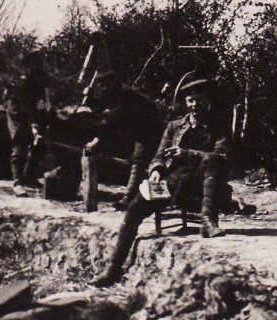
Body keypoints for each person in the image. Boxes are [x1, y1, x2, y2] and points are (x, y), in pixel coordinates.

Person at [91, 78, 232, 287]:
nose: (194, 105)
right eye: (190, 100)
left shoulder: (219, 125)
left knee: (210, 158)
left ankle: (208, 222)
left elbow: (222, 157)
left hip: (203, 180)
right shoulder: (174, 126)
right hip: (174, 181)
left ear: (208, 100)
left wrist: (187, 154)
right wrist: (156, 171)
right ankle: (113, 268)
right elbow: (158, 156)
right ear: (186, 103)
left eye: (199, 100)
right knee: (134, 209)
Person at [83, 71, 162, 209]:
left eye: (106, 85)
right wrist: (89, 97)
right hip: (133, 130)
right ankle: (136, 197)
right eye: (101, 86)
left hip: (148, 130)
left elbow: (111, 121)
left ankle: (128, 198)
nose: (104, 88)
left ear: (114, 82)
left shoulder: (126, 95)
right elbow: (101, 109)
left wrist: (97, 140)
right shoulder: (114, 94)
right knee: (132, 160)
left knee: (138, 161)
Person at [5, 51, 50, 197]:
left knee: (40, 144)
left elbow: (43, 100)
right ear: (28, 66)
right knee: (20, 145)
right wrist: (34, 126)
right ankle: (18, 183)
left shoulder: (41, 78)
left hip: (33, 112)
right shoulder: (22, 83)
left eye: (39, 64)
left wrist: (44, 117)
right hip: (18, 113)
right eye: (34, 65)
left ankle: (30, 177)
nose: (37, 67)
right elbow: (27, 107)